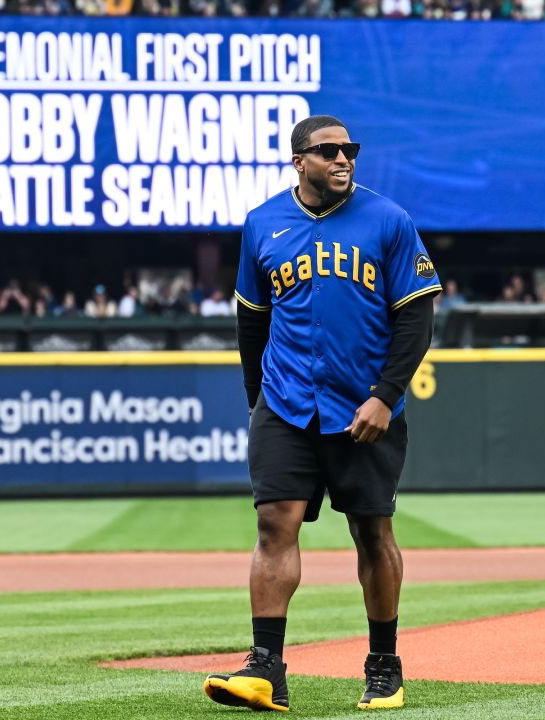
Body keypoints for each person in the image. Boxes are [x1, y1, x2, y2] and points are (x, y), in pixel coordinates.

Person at [204, 115, 440, 713]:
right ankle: (266, 670)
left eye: (350, 150)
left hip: (363, 406)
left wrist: (386, 395)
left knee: (371, 529)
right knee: (272, 525)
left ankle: (384, 665)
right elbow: (252, 323)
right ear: (299, 161)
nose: (343, 159)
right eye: (329, 150)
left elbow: (415, 317)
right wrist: (257, 401)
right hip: (285, 404)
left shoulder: (387, 219)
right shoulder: (263, 224)